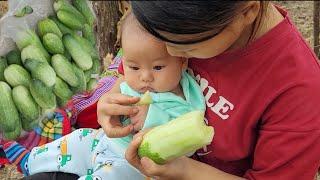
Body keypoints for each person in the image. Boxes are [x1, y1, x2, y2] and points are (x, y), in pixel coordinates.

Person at [97, 1, 320, 180]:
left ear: (248, 11)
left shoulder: (298, 91)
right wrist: (115, 99)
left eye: (186, 46)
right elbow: (133, 69)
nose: (170, 52)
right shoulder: (173, 21)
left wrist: (184, 171)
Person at [2, 12, 205, 180]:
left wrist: (152, 120)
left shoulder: (185, 99)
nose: (145, 77)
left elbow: (185, 142)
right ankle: (33, 161)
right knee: (76, 139)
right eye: (133, 67)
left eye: (158, 67)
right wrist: (111, 102)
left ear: (182, 62)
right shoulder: (132, 82)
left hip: (132, 165)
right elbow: (114, 96)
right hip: (102, 141)